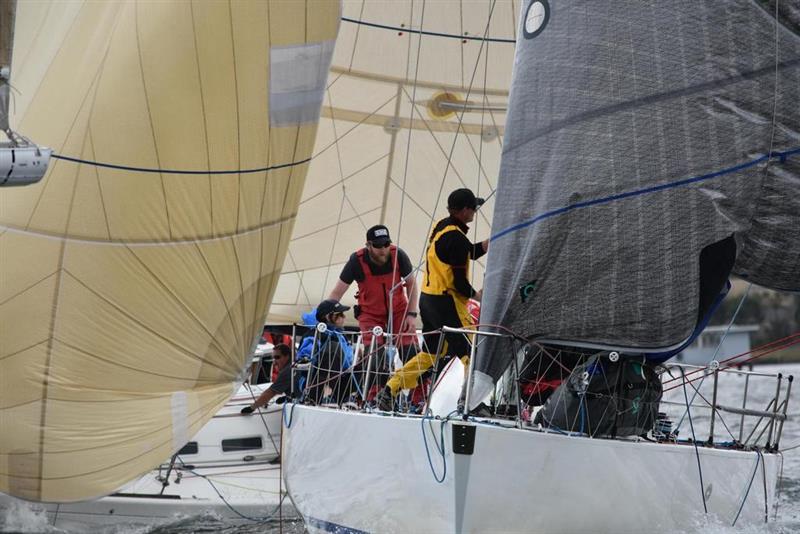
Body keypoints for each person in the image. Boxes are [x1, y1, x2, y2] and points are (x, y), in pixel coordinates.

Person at [376, 188, 488, 410]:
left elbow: (469, 252)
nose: (475, 211)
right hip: (447, 303)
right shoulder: (455, 238)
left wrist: (489, 243)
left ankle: (391, 388)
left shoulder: (442, 228)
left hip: (429, 301)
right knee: (471, 353)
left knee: (430, 354)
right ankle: (470, 403)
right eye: (473, 207)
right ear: (465, 210)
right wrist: (478, 296)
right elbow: (459, 283)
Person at [327, 224, 419, 351]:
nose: (383, 249)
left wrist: (411, 314)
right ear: (368, 245)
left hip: (399, 311)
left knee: (411, 351)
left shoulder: (399, 255)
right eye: (378, 245)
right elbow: (337, 292)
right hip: (370, 314)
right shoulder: (356, 261)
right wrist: (323, 315)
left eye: (386, 244)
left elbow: (412, 285)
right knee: (374, 359)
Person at [301, 299, 355, 404]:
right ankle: (312, 399)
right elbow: (306, 351)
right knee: (333, 349)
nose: (344, 317)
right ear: (328, 317)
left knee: (369, 361)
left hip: (340, 376)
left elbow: (348, 359)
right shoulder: (316, 334)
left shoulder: (340, 335)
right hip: (313, 380)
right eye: (340, 314)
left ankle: (347, 399)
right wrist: (305, 357)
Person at [241, 344, 296, 413]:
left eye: (277, 357)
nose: (274, 362)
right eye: (273, 358)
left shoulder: (287, 371)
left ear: (287, 356)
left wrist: (252, 407)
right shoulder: (294, 365)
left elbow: (271, 392)